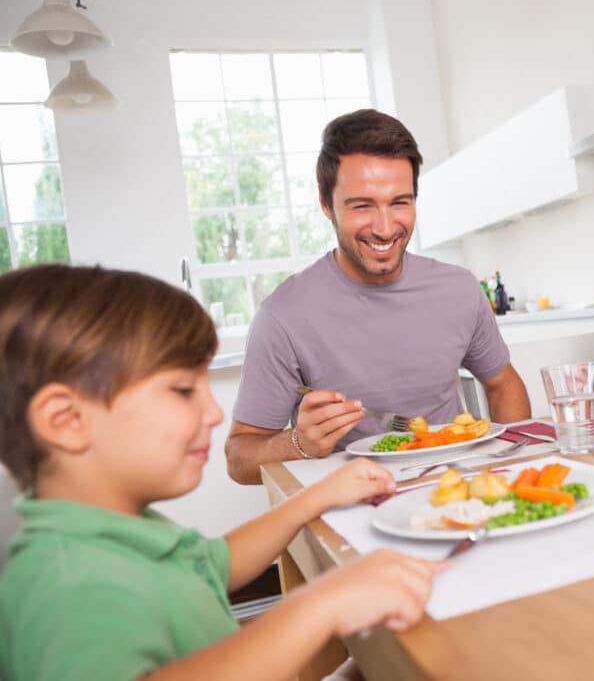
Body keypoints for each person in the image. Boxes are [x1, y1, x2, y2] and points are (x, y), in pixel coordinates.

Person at [0, 264, 447, 681]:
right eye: (181, 390)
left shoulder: (120, 534)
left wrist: (319, 495)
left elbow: (215, 564)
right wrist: (318, 606)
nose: (213, 413)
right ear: (66, 420)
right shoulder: (67, 588)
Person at [226, 109, 530, 484]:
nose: (386, 228)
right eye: (362, 206)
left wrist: (511, 470)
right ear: (326, 205)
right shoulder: (283, 317)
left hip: (458, 488)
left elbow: (503, 384)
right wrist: (298, 443)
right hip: (353, 505)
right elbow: (239, 459)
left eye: (400, 202)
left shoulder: (459, 290)